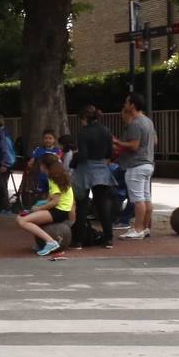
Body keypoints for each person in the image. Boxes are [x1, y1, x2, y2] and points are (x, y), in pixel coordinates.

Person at [113, 92, 156, 239]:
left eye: (126, 102)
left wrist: (117, 142)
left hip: (136, 165)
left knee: (138, 199)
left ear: (132, 105)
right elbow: (154, 141)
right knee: (146, 198)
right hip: (148, 163)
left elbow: (134, 146)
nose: (125, 105)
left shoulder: (136, 123)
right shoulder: (148, 121)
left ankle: (137, 229)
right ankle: (144, 228)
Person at [72, 105, 115, 249]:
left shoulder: (83, 132)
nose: (81, 122)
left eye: (81, 120)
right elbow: (110, 153)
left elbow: (83, 155)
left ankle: (78, 240)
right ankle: (108, 238)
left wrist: (74, 158)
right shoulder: (106, 130)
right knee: (103, 205)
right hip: (102, 170)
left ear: (85, 118)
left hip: (86, 170)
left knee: (82, 205)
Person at [16, 155, 75, 256]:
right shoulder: (59, 176)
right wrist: (41, 204)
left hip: (58, 211)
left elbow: (55, 201)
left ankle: (50, 242)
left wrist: (39, 209)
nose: (39, 168)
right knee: (22, 217)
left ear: (44, 166)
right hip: (61, 210)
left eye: (40, 165)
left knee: (22, 220)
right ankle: (44, 242)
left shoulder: (53, 179)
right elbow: (50, 198)